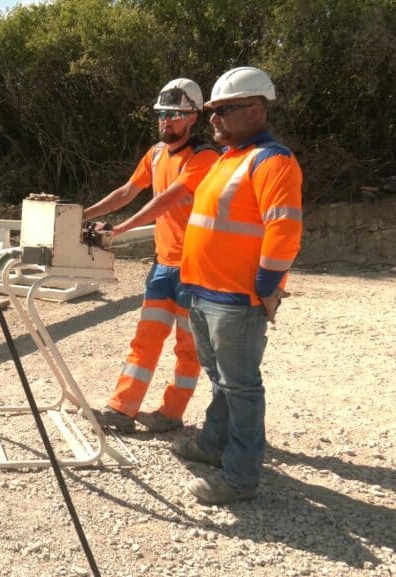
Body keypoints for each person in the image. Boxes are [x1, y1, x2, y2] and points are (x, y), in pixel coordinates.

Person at [171, 66, 303, 505]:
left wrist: (266, 286)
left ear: (256, 110)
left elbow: (284, 229)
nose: (213, 118)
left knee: (241, 387)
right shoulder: (228, 158)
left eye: (224, 110)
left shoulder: (273, 161)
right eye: (213, 110)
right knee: (221, 380)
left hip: (236, 298)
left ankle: (241, 477)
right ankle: (214, 444)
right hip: (203, 291)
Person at [84, 79, 220, 433]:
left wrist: (118, 230)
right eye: (162, 114)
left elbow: (167, 199)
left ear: (193, 117)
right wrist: (79, 215)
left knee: (188, 347)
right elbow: (127, 191)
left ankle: (171, 413)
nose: (166, 121)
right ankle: (121, 409)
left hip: (195, 269)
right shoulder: (156, 153)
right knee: (145, 338)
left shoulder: (205, 156)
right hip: (163, 266)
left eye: (175, 115)